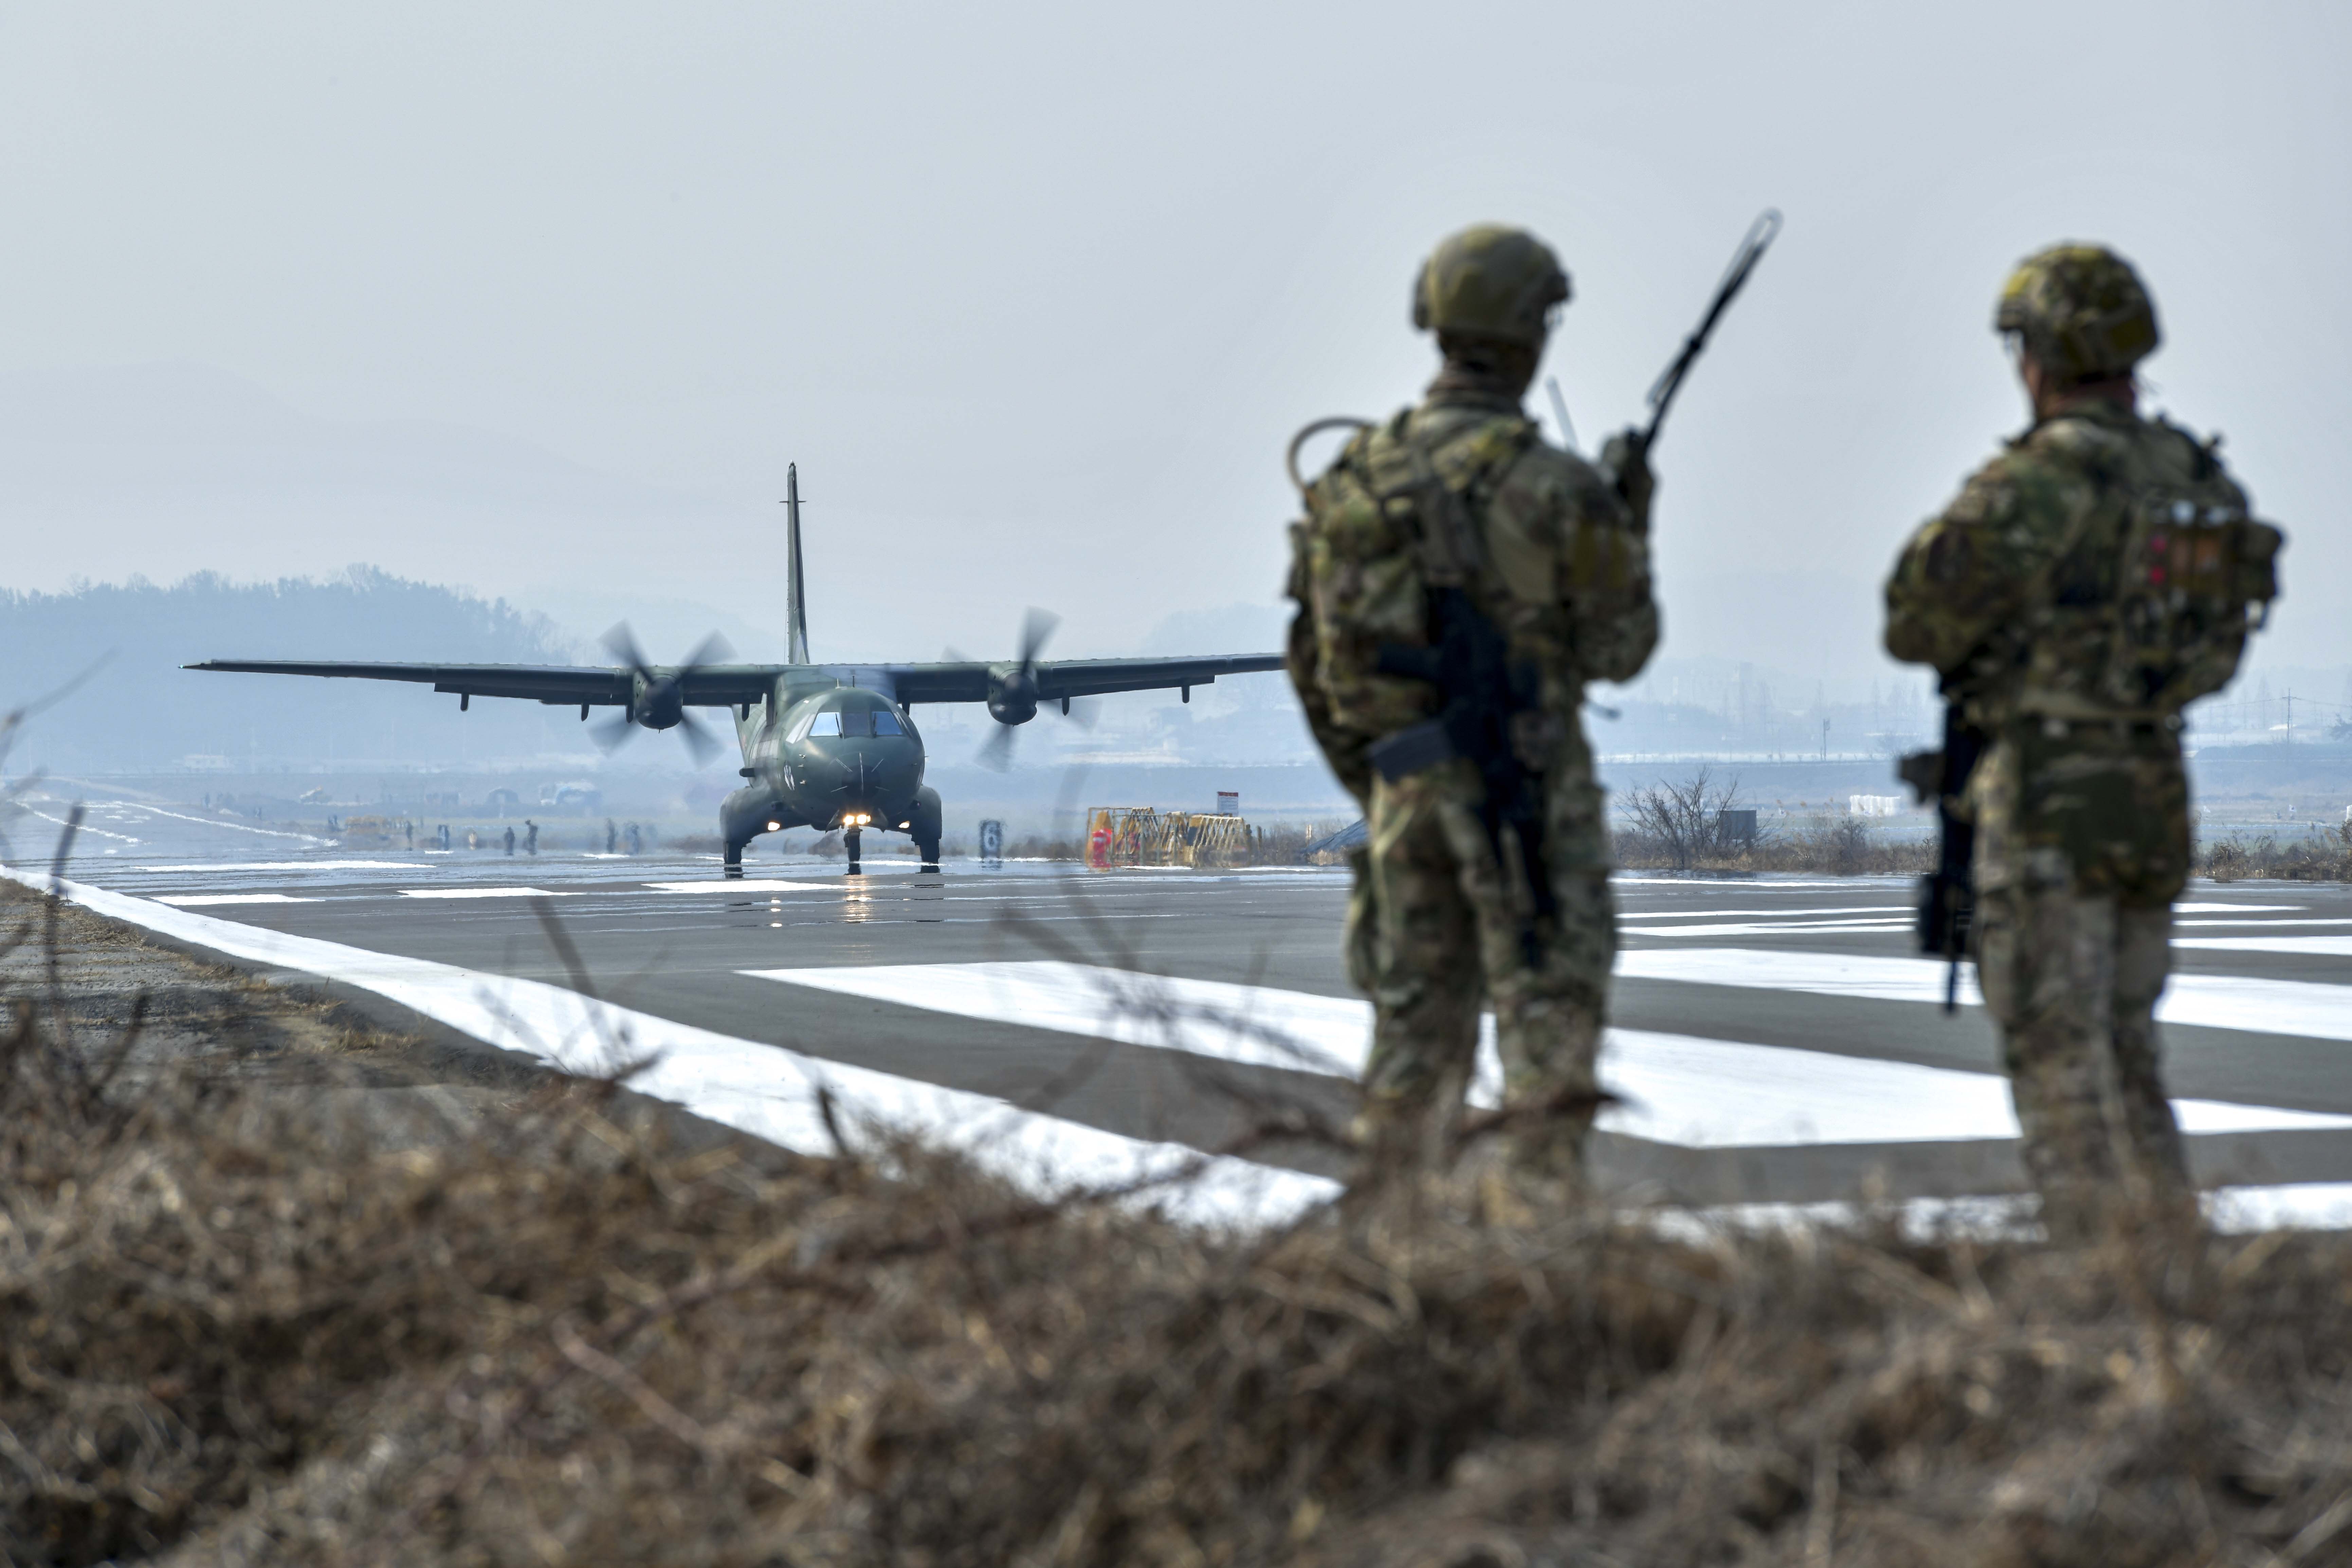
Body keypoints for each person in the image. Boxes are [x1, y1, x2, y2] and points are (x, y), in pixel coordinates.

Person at [1883, 243, 2281, 1240]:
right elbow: (2220, 649)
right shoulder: (2194, 478)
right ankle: (2170, 1265)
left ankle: (2105, 1279)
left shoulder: (2043, 480)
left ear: (2047, 356)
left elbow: (1916, 618)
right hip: (2150, 790)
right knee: (2128, 1044)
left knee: (2061, 1056)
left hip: (2051, 794)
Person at [1286, 223, 1660, 1183]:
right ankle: (1535, 1271)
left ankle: (1394, 1267)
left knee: (1411, 1050)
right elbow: (1622, 649)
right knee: (1548, 1048)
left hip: (1407, 801)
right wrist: (1630, 523)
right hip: (1527, 799)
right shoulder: (1557, 488)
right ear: (1532, 335)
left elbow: (1319, 669)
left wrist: (1390, 778)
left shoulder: (1355, 483)